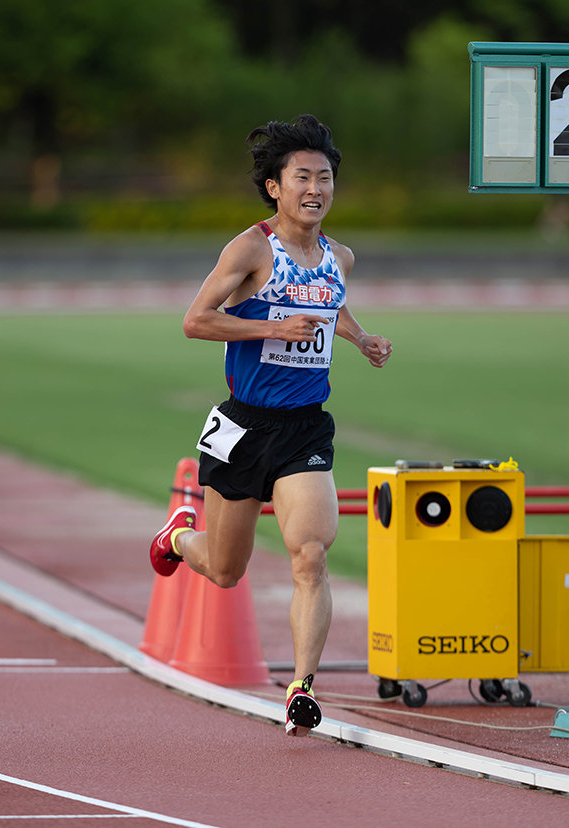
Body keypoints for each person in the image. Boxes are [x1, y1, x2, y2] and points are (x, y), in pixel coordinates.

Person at [150, 114, 392, 736]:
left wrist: (361, 338)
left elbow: (326, 306)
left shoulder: (340, 257)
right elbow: (196, 321)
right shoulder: (251, 249)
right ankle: (179, 537)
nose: (316, 188)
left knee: (310, 553)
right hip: (243, 425)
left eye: (326, 178)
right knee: (226, 570)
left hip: (306, 429)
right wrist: (269, 328)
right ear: (275, 188)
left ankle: (302, 688)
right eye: (303, 177)